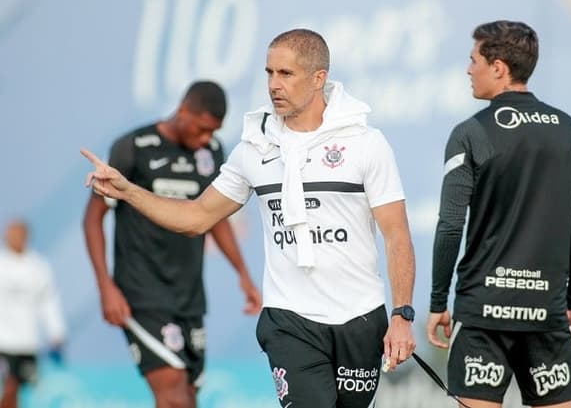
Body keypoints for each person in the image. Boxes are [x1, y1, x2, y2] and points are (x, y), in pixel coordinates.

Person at [81, 28, 416, 408]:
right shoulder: (252, 149)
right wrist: (127, 190)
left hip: (360, 317)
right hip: (291, 320)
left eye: (286, 74)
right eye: (269, 73)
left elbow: (397, 236)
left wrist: (402, 314)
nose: (274, 84)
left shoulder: (366, 143)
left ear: (319, 78)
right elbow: (196, 217)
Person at [427, 20, 571, 408]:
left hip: (483, 315)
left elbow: (451, 224)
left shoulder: (470, 132)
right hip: (547, 315)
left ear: (498, 67)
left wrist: (439, 301)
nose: (469, 70)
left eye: (473, 61)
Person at [82, 81, 262, 408]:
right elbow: (92, 219)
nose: (207, 138)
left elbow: (214, 217)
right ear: (182, 111)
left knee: (189, 396)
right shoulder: (133, 147)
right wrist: (106, 286)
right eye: (202, 128)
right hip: (142, 292)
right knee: (174, 397)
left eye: (214, 131)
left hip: (189, 295)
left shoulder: (211, 152)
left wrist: (243, 274)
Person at [0, 219, 66, 408]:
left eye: (19, 234)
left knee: (19, 388)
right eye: (11, 233)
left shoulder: (38, 266)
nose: (14, 238)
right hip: (2, 342)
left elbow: (49, 302)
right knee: (9, 386)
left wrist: (57, 332)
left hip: (28, 342)